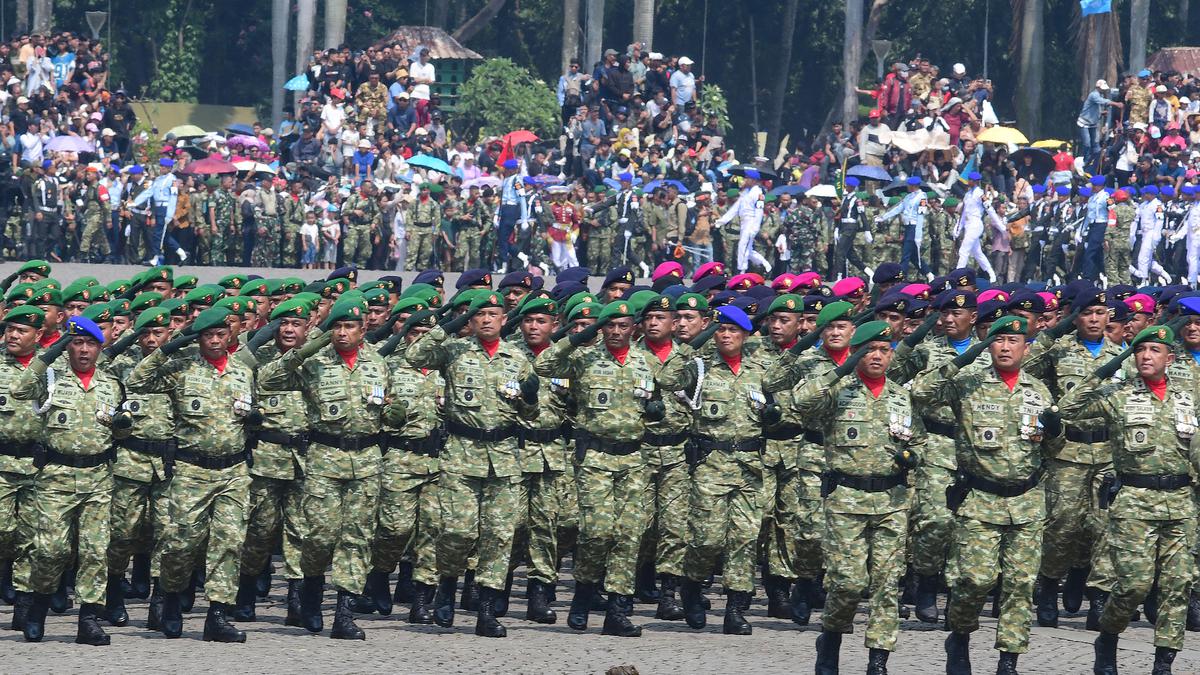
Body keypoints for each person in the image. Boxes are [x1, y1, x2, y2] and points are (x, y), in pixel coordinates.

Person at [911, 315, 1061, 675]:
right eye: (998, 340)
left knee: (1020, 584)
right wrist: (962, 359)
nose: (1005, 347)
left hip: (1026, 503)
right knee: (973, 581)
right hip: (979, 500)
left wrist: (1057, 432)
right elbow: (920, 392)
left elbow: (1051, 448)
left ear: (1026, 347)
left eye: (1013, 341)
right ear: (987, 345)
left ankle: (1008, 660)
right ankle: (960, 635)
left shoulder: (1038, 391)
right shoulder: (967, 383)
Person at [1053, 323, 1197, 675]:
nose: (1146, 357)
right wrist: (1101, 371)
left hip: (1181, 502)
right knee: (1133, 586)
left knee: (1178, 585)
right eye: (1139, 351)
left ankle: (1164, 663)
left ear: (1170, 358)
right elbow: (1066, 409)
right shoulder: (1118, 396)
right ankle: (1108, 637)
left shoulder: (1189, 397)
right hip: (1135, 501)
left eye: (1154, 351)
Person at [256, 298, 401, 640]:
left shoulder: (377, 364)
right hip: (324, 457)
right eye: (336, 326)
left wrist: (397, 412)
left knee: (357, 537)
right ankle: (311, 591)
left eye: (349, 326)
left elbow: (389, 408)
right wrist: (308, 348)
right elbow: (268, 379)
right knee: (319, 536)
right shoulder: (314, 362)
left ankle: (344, 613)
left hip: (366, 460)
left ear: (363, 330)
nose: (342, 332)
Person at [793, 320, 922, 675]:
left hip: (892, 501)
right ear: (856, 353)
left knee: (886, 584)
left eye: (884, 350)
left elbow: (920, 441)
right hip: (846, 501)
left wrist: (913, 457)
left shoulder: (901, 395)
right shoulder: (838, 391)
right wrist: (840, 372)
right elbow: (801, 402)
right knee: (848, 583)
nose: (877, 356)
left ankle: (878, 659)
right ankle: (831, 637)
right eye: (869, 350)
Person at [406, 291, 538, 638]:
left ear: (504, 319)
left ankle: (485, 610)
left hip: (505, 456)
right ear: (471, 319)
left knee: (498, 535)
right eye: (479, 314)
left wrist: (532, 397)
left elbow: (529, 414)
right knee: (458, 532)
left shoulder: (517, 359)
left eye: (493, 313)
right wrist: (445, 321)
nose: (486, 320)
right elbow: (414, 354)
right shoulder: (454, 350)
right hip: (463, 454)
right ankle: (447, 585)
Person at [126, 307, 254, 643]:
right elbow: (138, 380)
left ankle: (218, 615)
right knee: (181, 544)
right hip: (191, 471)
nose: (214, 340)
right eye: (207, 335)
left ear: (230, 336)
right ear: (197, 338)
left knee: (229, 543)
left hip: (233, 471)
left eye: (220, 334)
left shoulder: (243, 371)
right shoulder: (181, 369)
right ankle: (170, 598)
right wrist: (169, 346)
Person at [534, 299, 653, 637]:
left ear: (634, 327)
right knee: (597, 533)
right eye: (610, 325)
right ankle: (583, 594)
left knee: (629, 536)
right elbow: (544, 364)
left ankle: (617, 609)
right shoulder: (585, 359)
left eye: (623, 325)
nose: (616, 331)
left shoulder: (645, 362)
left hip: (632, 459)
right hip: (595, 459)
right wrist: (577, 336)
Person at [13, 315, 125, 645]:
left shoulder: (111, 384)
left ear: (100, 348)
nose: (84, 350)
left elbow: (118, 429)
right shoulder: (50, 378)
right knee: (50, 550)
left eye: (91, 343)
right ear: (68, 346)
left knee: (94, 550)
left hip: (98, 479)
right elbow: (20, 391)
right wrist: (50, 353)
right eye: (78, 342)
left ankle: (88, 619)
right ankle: (38, 608)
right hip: (56, 479)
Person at [657, 304, 768, 635]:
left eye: (733, 330)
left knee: (744, 540)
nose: (726, 335)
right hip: (710, 467)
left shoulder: (759, 371)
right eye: (721, 330)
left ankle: (735, 609)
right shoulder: (700, 369)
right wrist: (692, 344)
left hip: (749, 468)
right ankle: (691, 585)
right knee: (706, 540)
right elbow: (665, 379)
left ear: (745, 335)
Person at [714, 171, 769, 274]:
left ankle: (742, 270)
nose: (744, 180)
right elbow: (735, 208)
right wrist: (722, 221)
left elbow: (759, 212)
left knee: (742, 246)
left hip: (751, 222)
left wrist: (755, 228)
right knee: (747, 249)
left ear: (753, 180)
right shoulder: (745, 192)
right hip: (743, 221)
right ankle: (764, 264)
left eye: (747, 178)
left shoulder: (758, 193)